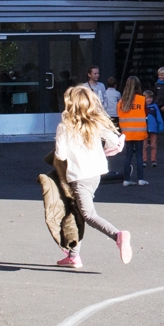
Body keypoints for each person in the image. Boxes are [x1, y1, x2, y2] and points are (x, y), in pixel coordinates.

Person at [53, 86, 132, 269]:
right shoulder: (96, 123)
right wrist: (102, 150)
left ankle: (118, 235)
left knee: (87, 214)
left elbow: (61, 155)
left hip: (78, 176)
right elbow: (114, 141)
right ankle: (74, 255)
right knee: (77, 212)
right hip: (96, 174)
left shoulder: (65, 127)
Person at [117, 76, 149, 187]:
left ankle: (126, 179)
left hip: (127, 132)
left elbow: (119, 115)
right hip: (139, 131)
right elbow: (146, 113)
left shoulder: (121, 102)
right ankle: (141, 179)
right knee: (139, 155)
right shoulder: (142, 99)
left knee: (128, 155)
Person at [143, 89, 164, 168]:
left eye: (150, 98)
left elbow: (159, 116)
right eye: (147, 98)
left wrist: (161, 125)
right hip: (144, 129)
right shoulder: (142, 107)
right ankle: (144, 160)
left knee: (153, 145)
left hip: (153, 128)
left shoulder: (155, 107)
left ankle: (153, 160)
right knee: (144, 145)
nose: (149, 99)